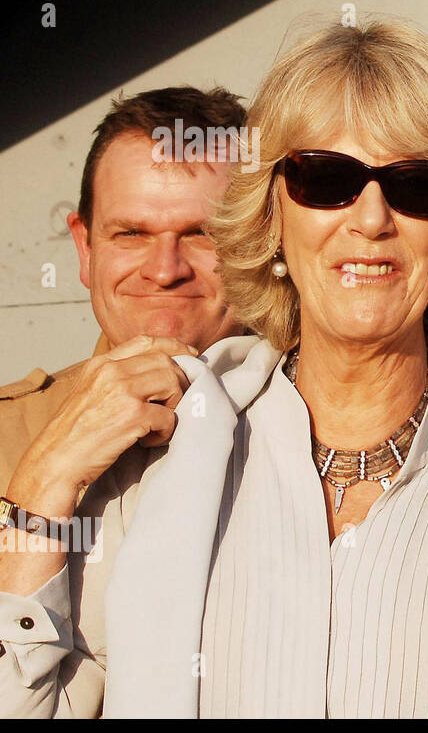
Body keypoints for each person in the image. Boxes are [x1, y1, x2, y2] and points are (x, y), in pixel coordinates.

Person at [0, 18, 428, 718]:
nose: (370, 218)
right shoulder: (165, 452)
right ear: (272, 212)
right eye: (327, 179)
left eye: (417, 185)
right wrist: (42, 482)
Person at [0, 87, 248, 508]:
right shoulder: (9, 434)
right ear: (85, 248)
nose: (165, 270)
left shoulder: (330, 428)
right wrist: (48, 470)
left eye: (203, 234)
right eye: (131, 234)